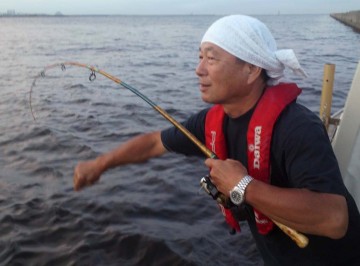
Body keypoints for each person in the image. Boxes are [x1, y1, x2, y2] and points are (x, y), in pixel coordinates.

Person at [73, 15, 360, 265]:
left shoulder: (298, 128)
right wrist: (100, 164)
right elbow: (153, 143)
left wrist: (242, 186)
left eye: (211, 58)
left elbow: (334, 219)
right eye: (200, 57)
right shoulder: (211, 121)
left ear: (251, 69)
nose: (199, 69)